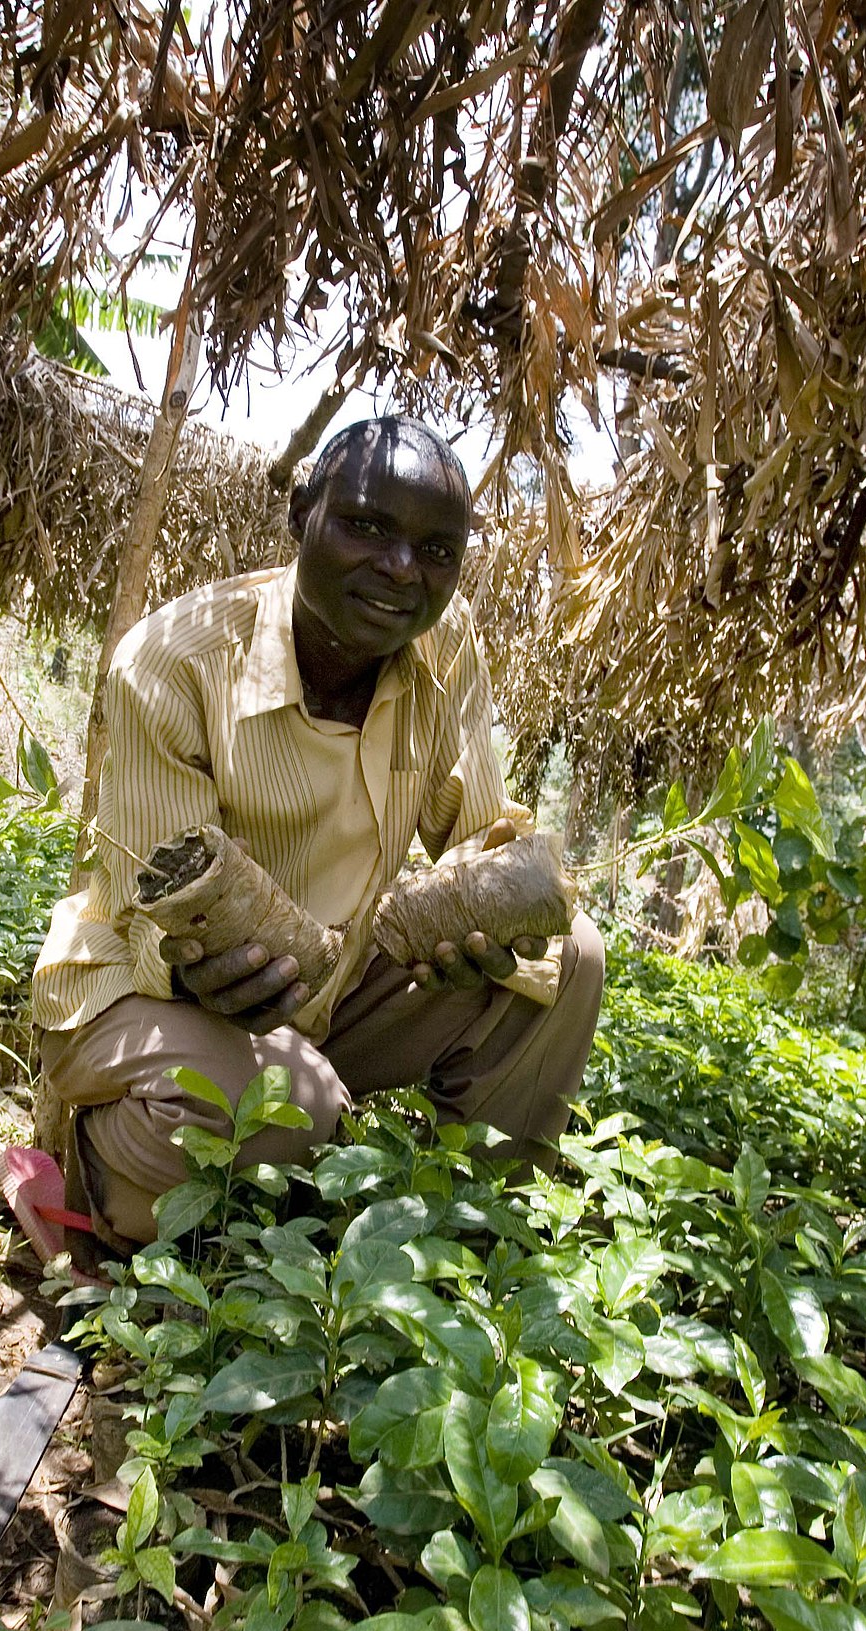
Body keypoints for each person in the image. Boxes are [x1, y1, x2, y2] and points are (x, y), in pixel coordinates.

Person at [32, 415, 606, 1247]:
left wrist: (487, 918)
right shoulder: (173, 663)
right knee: (292, 1107)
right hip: (149, 991)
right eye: (367, 527)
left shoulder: (445, 646)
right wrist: (206, 980)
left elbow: (479, 833)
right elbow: (148, 920)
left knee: (567, 954)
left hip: (330, 987)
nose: (402, 570)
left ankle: (468, 1231)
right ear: (303, 512)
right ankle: (94, 1152)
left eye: (437, 551)